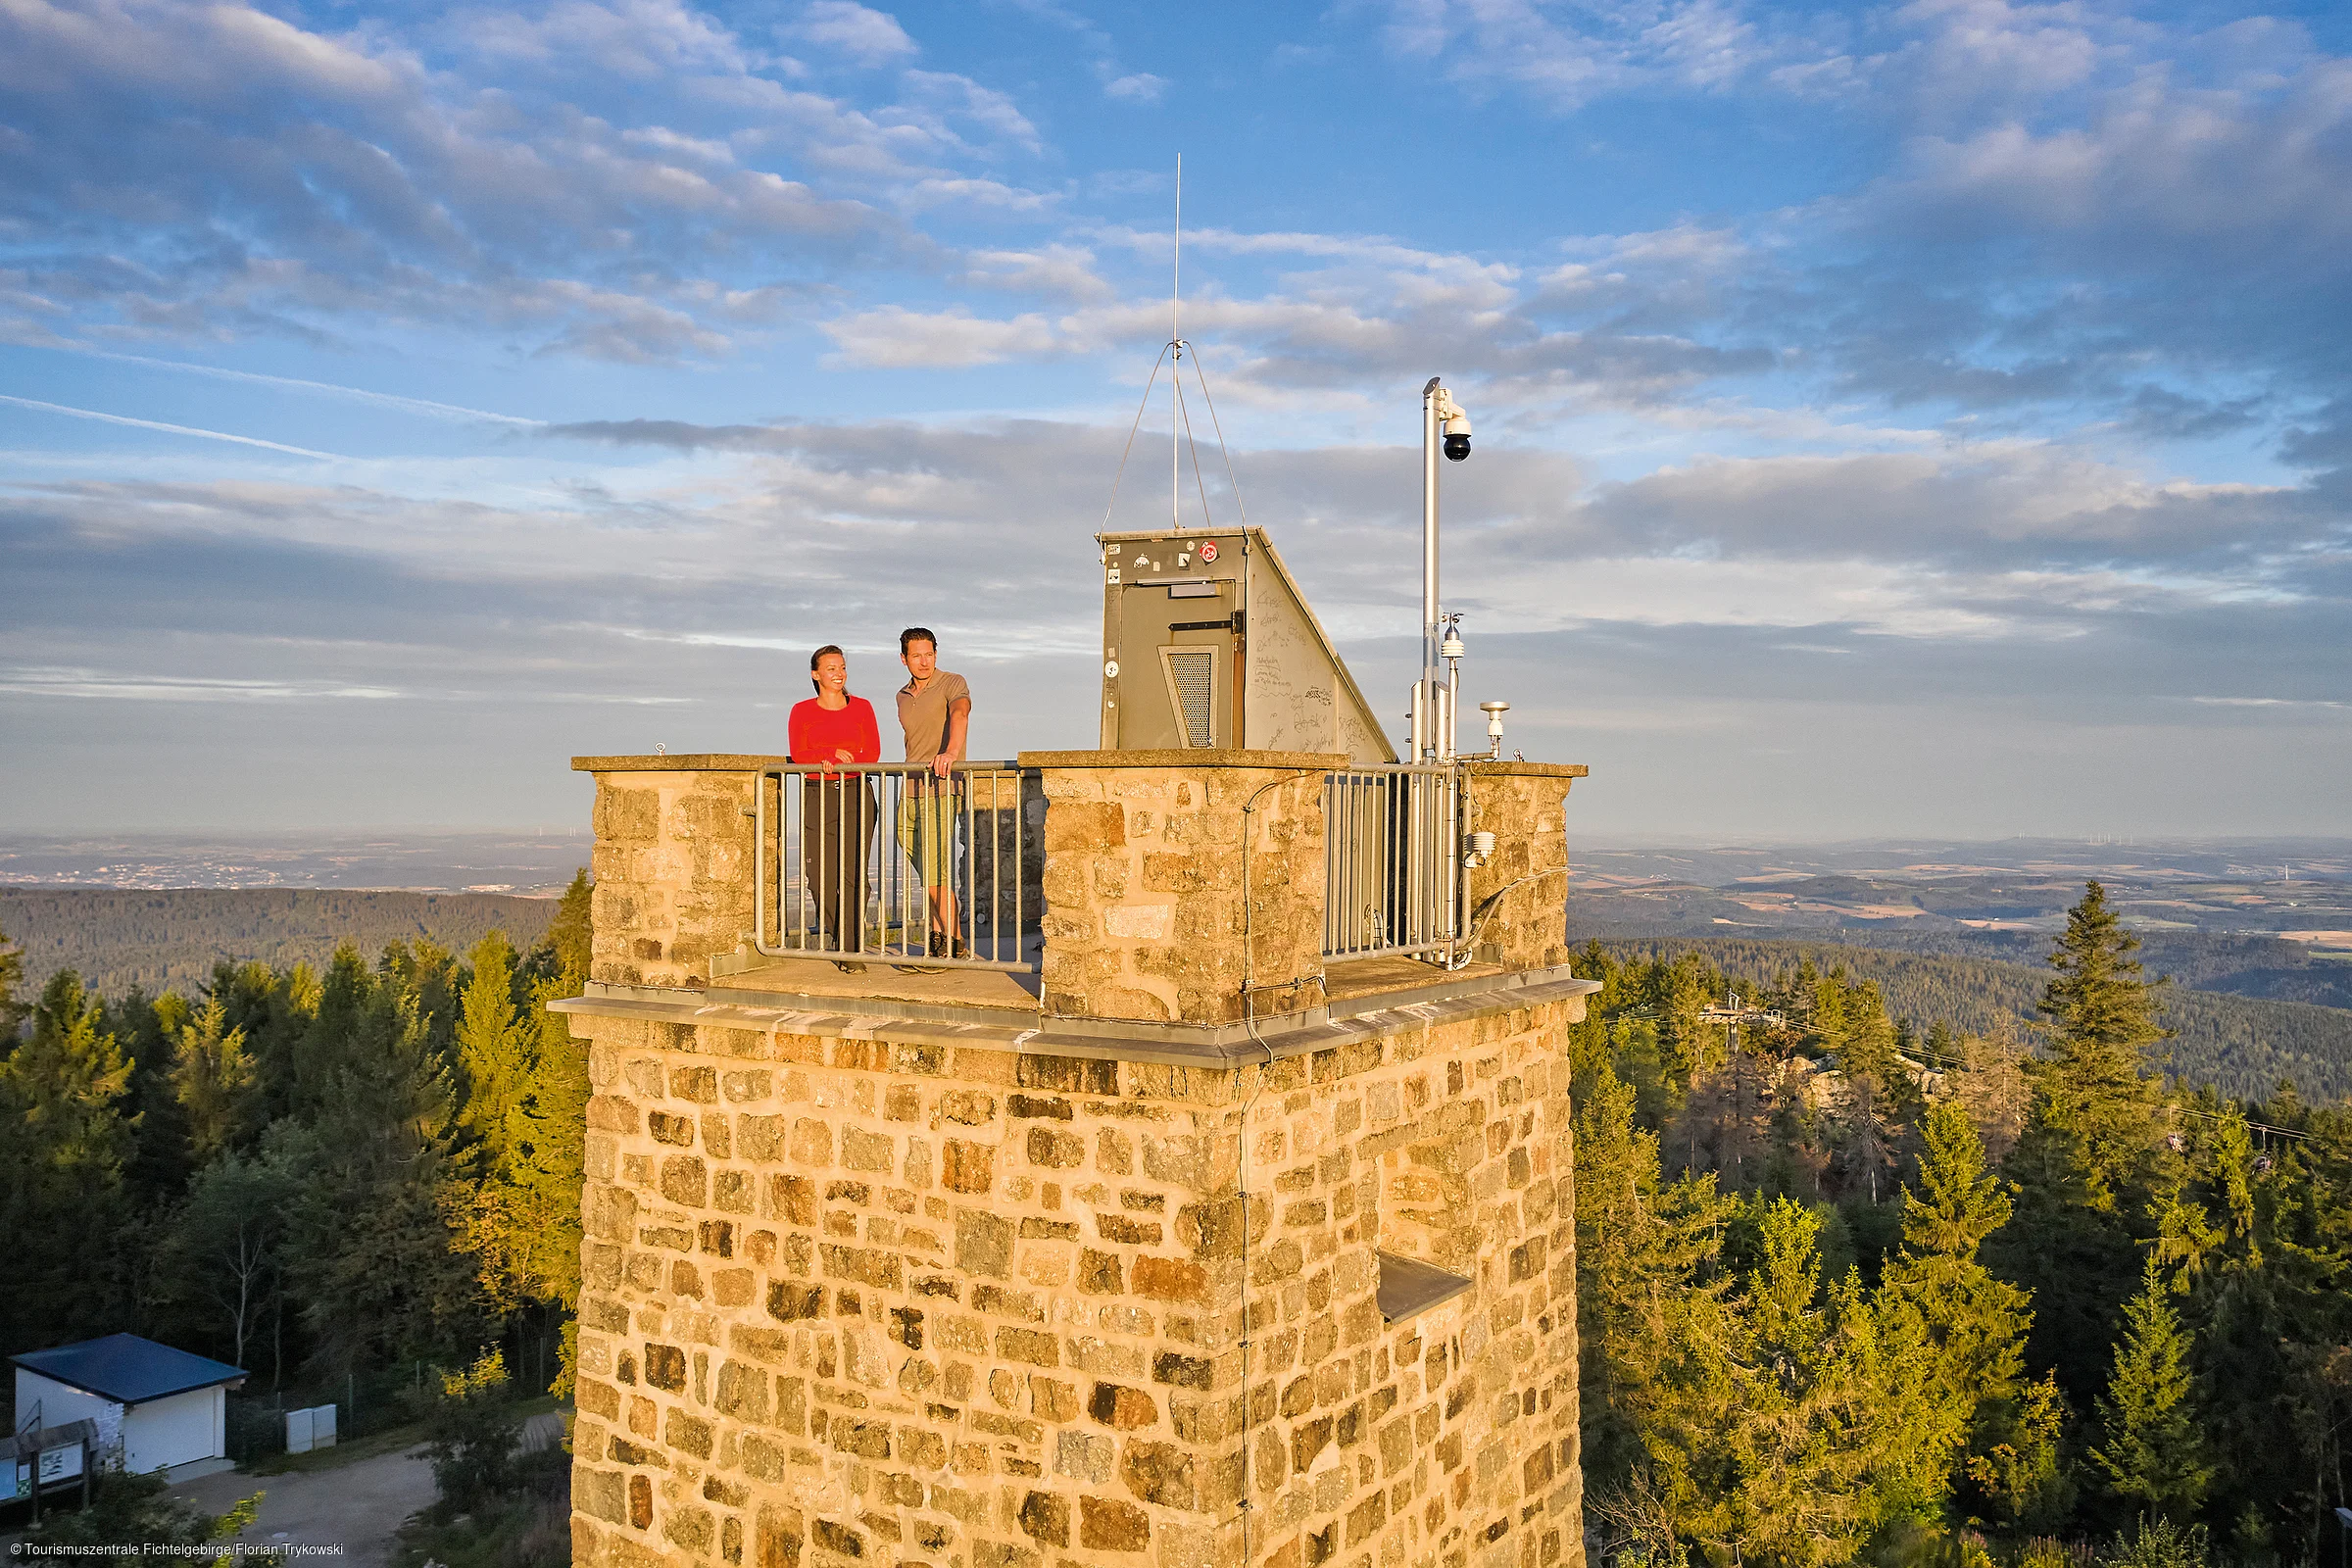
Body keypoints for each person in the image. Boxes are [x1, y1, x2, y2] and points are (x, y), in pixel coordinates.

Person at [788, 645, 879, 968]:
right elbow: (799, 754)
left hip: (857, 793)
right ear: (815, 675)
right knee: (818, 875)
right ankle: (842, 938)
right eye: (830, 668)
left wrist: (841, 764)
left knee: (854, 875)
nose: (838, 673)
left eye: (841, 667)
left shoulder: (863, 708)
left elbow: (872, 754)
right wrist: (827, 755)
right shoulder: (801, 710)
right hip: (818, 794)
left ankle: (851, 951)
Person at [895, 627, 971, 959]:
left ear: (936, 654)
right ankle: (940, 934)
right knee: (921, 861)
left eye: (929, 654)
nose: (924, 661)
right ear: (904, 659)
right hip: (910, 788)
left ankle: (952, 943)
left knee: (936, 869)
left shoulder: (952, 682)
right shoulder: (901, 694)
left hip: (941, 788)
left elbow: (960, 713)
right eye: (916, 655)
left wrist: (951, 752)